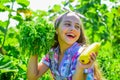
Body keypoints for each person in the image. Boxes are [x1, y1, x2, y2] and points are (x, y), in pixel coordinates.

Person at [27, 11, 102, 80]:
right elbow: (32, 76)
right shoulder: (52, 53)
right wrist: (35, 49)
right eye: (67, 24)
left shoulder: (82, 54)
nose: (73, 29)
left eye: (77, 27)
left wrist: (80, 67)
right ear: (56, 30)